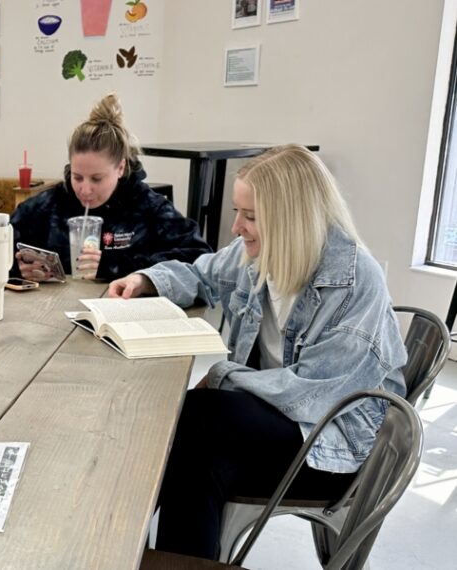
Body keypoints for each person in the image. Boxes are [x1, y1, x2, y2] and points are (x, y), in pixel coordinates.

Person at [108, 144, 408, 560]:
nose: (235, 227)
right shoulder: (262, 252)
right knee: (195, 457)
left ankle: (114, 539)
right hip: (275, 421)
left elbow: (313, 398)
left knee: (197, 417)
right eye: (238, 212)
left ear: (292, 221)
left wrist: (221, 375)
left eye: (249, 217)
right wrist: (146, 280)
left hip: (329, 447)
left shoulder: (354, 282)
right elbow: (202, 273)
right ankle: (141, 553)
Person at [10, 93, 210, 281]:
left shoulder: (146, 206)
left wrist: (113, 265)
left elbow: (199, 255)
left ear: (121, 168)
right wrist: (17, 269)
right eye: (77, 177)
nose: (85, 190)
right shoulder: (48, 206)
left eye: (97, 179)